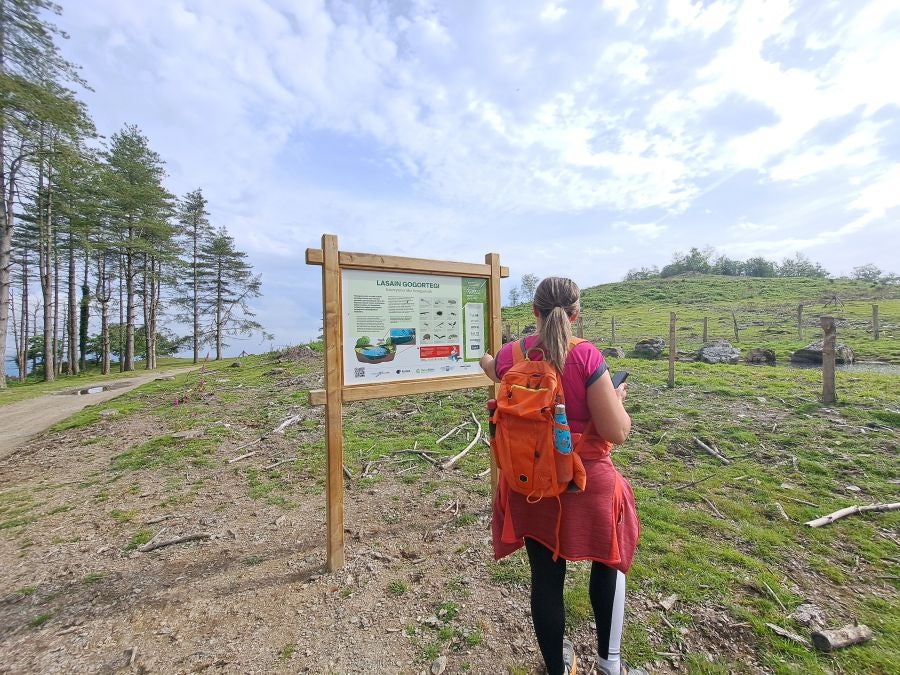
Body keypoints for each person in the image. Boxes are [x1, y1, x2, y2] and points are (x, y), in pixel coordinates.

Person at [480, 277, 642, 675]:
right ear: (576, 314)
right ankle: (610, 666)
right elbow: (616, 432)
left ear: (533, 312)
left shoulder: (510, 355)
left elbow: (495, 370)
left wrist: (488, 362)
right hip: (584, 481)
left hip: (529, 483)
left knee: (546, 580)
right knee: (609, 562)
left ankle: (557, 669)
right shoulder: (586, 357)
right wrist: (617, 399)